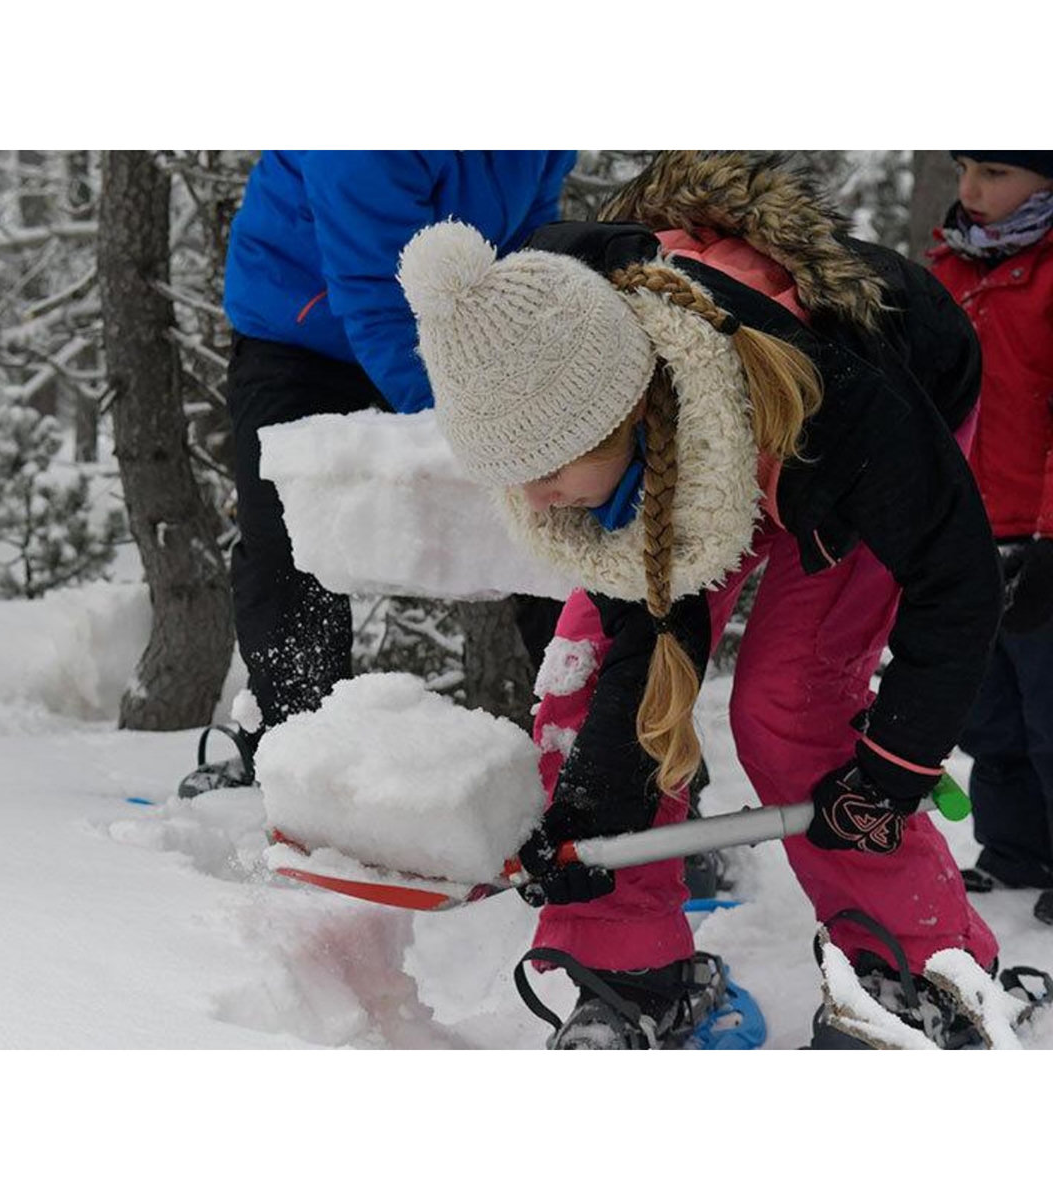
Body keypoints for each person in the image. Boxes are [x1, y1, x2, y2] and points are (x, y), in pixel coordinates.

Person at [398, 151, 1016, 1049]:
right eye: (510, 477)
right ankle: (625, 964)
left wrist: (894, 769)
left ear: (620, 414)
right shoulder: (551, 357)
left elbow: (957, 583)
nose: (531, 501)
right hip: (695, 441)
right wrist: (590, 816)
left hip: (829, 437)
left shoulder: (841, 409)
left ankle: (919, 968)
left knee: (789, 706)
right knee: (589, 673)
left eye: (547, 470)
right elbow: (650, 645)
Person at [178, 151, 577, 798]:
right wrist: (469, 428)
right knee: (287, 537)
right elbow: (377, 292)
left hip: (442, 321)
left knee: (552, 510)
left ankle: (609, 775)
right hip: (302, 325)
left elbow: (528, 240)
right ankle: (290, 762)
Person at [929, 152, 1053, 925]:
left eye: (996, 173)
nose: (970, 191)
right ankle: (1015, 849)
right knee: (988, 711)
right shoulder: (947, 268)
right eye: (965, 168)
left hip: (1043, 536)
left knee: (1051, 710)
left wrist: (1048, 534)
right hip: (965, 532)